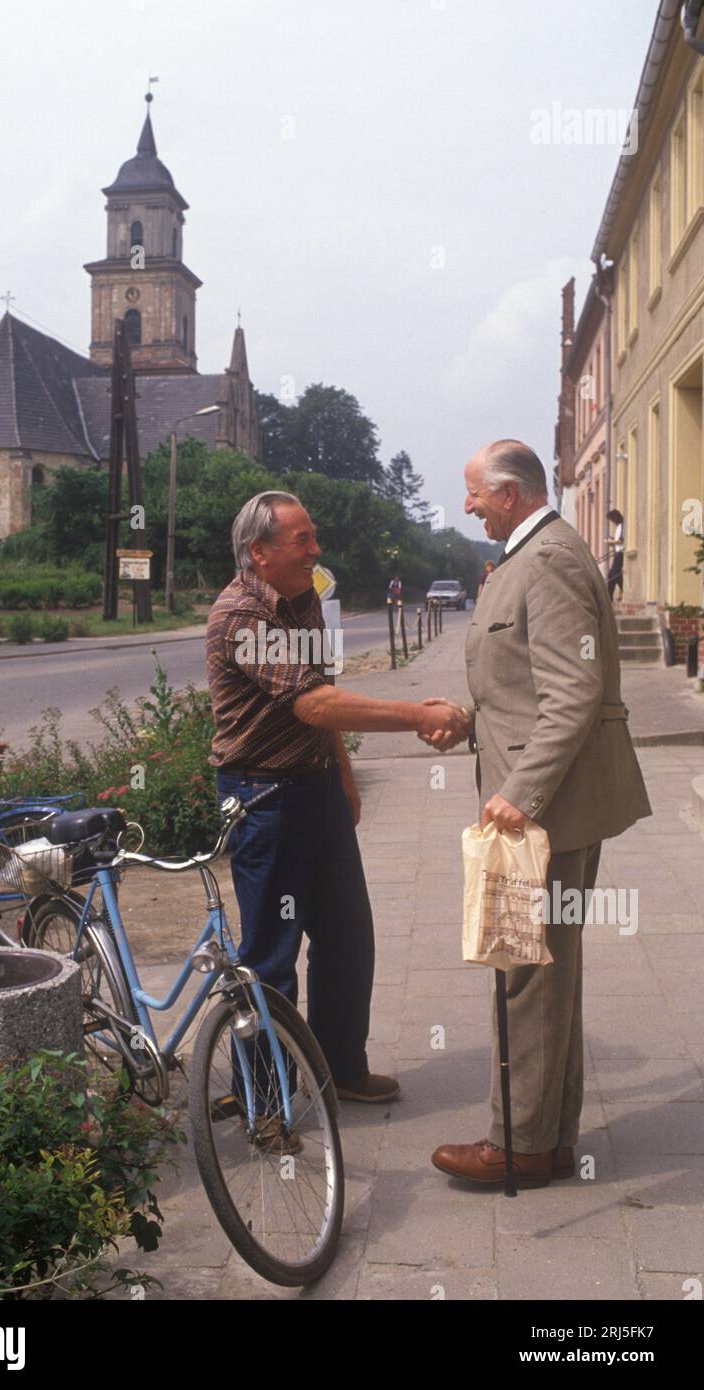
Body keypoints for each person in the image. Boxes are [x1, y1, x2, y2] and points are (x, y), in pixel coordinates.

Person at [429, 440, 651, 1186]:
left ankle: (518, 1145)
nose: (466, 507)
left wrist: (520, 794)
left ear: (511, 493)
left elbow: (573, 693)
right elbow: (528, 686)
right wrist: (467, 716)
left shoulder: (546, 560)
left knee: (524, 969)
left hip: (546, 809)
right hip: (549, 801)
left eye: (474, 495)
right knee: (544, 971)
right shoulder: (539, 550)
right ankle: (546, 1139)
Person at [206, 491, 468, 1103]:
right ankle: (264, 1101)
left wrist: (343, 778)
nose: (316, 549)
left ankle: (340, 1071)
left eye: (314, 535)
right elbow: (315, 704)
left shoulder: (305, 603)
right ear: (260, 552)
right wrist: (418, 713)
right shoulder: (240, 614)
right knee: (271, 954)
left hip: (314, 788)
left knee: (348, 935)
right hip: (262, 798)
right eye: (303, 540)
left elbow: (324, 699)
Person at [605, 509, 624, 600]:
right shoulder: (618, 527)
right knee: (615, 575)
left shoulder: (622, 526)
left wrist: (610, 542)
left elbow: (621, 540)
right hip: (617, 553)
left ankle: (609, 598)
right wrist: (612, 540)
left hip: (620, 554)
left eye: (612, 520)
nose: (612, 522)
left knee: (613, 575)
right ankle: (611, 597)